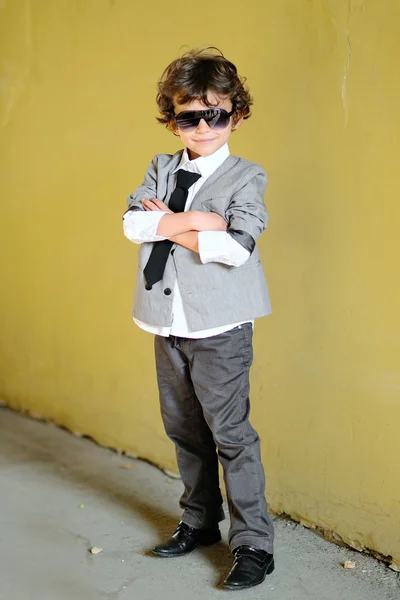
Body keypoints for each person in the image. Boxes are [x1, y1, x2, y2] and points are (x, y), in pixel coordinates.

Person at [122, 47, 275, 590]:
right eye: (190, 116)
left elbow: (235, 248)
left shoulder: (245, 175)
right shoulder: (161, 167)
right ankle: (199, 521)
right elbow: (133, 225)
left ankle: (253, 542)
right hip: (166, 322)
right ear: (172, 120)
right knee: (184, 429)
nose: (204, 126)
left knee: (230, 432)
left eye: (217, 114)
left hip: (221, 327)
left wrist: (173, 221)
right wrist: (201, 224)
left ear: (237, 114)